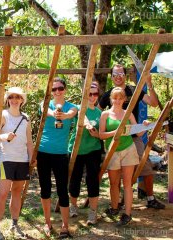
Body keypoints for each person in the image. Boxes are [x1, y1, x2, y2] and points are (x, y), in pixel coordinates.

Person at [98, 64, 165, 210]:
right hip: (115, 140)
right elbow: (97, 113)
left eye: (121, 73)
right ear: (111, 77)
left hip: (133, 137)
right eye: (115, 74)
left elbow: (153, 103)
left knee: (145, 165)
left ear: (125, 75)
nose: (118, 77)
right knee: (116, 175)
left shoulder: (134, 90)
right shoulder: (108, 95)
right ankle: (119, 202)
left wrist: (149, 84)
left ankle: (150, 198)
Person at [99, 87, 149, 226]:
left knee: (127, 184)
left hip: (128, 149)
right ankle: (114, 208)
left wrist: (144, 126)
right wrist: (116, 132)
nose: (118, 101)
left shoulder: (128, 114)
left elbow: (138, 133)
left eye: (120, 98)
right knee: (114, 183)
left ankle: (127, 214)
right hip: (112, 151)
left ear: (124, 100)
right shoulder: (105, 115)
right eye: (115, 98)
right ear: (111, 99)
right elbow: (101, 135)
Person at [36, 78, 77, 239]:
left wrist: (64, 115)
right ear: (51, 92)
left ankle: (65, 226)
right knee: (45, 189)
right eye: (54, 90)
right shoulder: (45, 104)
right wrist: (54, 113)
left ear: (65, 89)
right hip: (43, 152)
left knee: (62, 190)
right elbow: (45, 111)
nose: (57, 92)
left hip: (61, 154)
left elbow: (71, 114)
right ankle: (48, 223)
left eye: (60, 88)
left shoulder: (71, 107)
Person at [0, 87, 34, 240]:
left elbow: (29, 141)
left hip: (22, 160)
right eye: (12, 97)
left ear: (22, 100)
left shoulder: (26, 118)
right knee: (3, 193)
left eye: (18, 97)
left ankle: (14, 224)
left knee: (17, 192)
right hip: (6, 159)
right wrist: (4, 137)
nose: (15, 100)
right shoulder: (3, 115)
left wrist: (31, 157)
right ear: (8, 100)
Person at [68, 83, 101, 225]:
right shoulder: (78, 108)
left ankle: (93, 212)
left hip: (93, 150)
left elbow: (102, 133)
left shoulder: (100, 113)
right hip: (76, 149)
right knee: (74, 179)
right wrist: (87, 124)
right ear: (84, 94)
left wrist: (97, 134)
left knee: (92, 180)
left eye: (95, 94)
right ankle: (73, 206)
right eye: (90, 94)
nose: (92, 97)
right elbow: (82, 117)